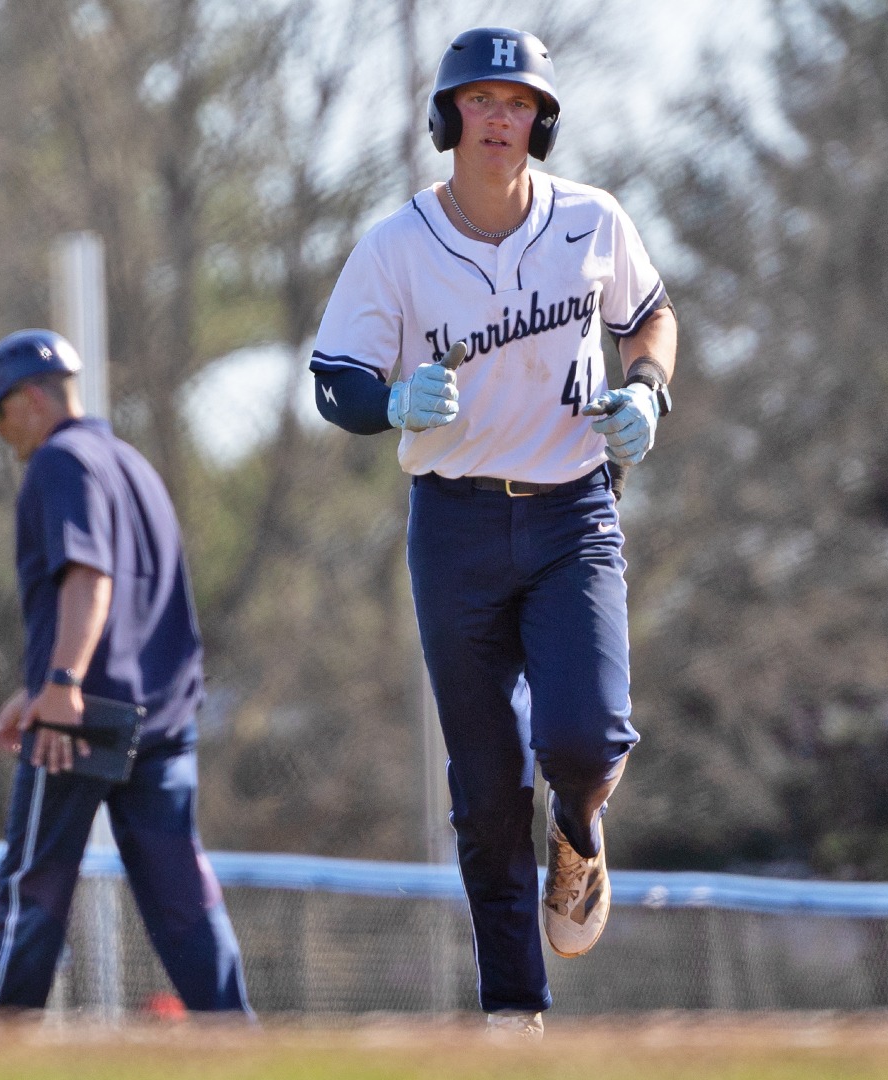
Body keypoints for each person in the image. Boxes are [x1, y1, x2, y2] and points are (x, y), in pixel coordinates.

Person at [306, 27, 677, 1036]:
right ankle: (516, 1014)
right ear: (448, 118)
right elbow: (331, 378)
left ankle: (580, 828)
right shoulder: (396, 246)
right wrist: (388, 403)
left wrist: (648, 388)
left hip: (571, 511)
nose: (500, 122)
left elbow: (650, 316)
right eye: (481, 102)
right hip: (456, 525)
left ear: (541, 122)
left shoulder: (593, 221)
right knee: (482, 789)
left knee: (587, 738)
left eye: (518, 104)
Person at [0, 329, 251, 1017]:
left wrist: (60, 685)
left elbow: (89, 580)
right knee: (184, 904)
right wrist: (35, 687)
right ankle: (237, 1042)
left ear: (32, 399)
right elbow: (130, 604)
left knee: (33, 891)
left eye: (0, 411)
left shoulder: (59, 462)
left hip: (83, 721)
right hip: (161, 719)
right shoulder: (129, 463)